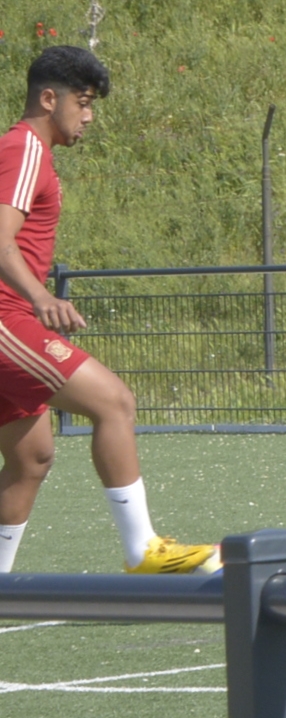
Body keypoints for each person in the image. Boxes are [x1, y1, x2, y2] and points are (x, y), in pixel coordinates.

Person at [0, 47, 220, 574]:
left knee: (30, 459)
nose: (89, 116)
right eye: (83, 102)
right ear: (48, 99)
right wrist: (42, 297)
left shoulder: (32, 153)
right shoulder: (24, 148)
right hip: (6, 318)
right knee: (115, 403)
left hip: (14, 316)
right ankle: (143, 549)